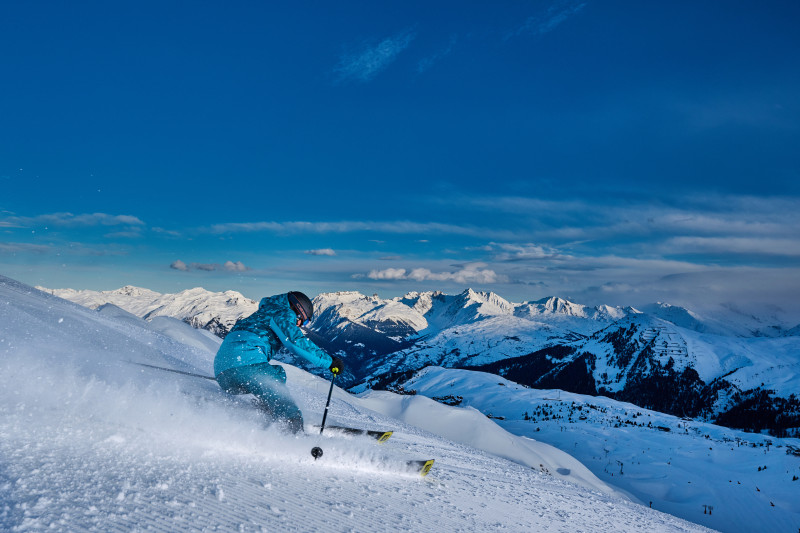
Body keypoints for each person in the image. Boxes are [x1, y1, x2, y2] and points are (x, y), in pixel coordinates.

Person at [213, 291, 344, 434]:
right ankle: (295, 436)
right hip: (247, 366)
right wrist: (329, 362)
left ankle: (267, 410)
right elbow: (295, 342)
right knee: (287, 407)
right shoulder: (283, 312)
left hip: (223, 374)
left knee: (277, 374)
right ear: (298, 310)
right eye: (304, 321)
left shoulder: (263, 312)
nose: (301, 325)